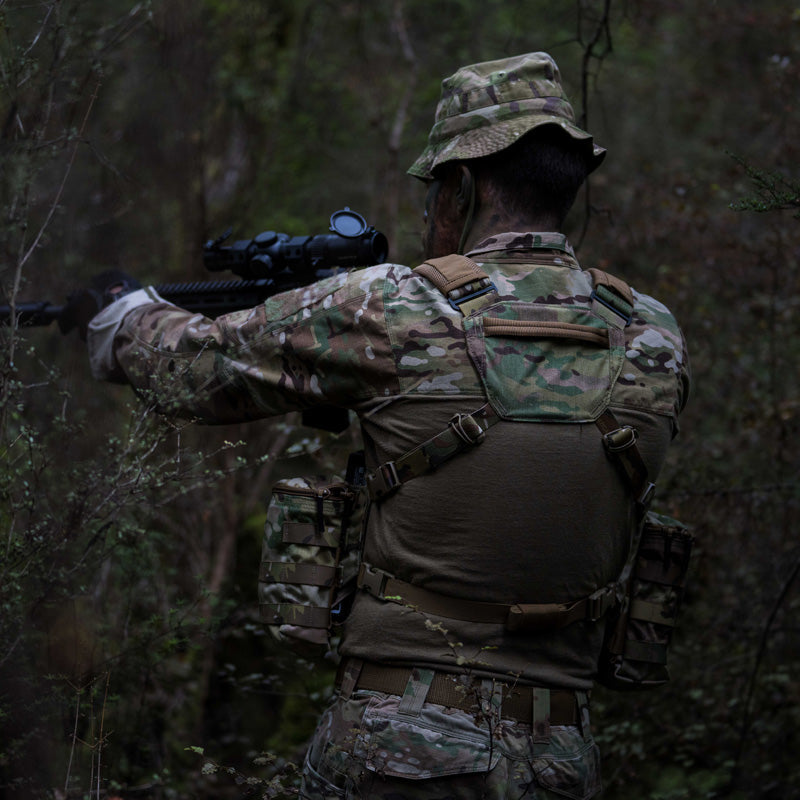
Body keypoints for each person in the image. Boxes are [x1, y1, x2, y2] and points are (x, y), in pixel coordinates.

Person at [81, 53, 690, 799]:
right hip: (562, 758)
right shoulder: (652, 334)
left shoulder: (395, 308)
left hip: (398, 749)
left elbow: (190, 369)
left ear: (461, 187)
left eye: (435, 187)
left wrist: (121, 316)